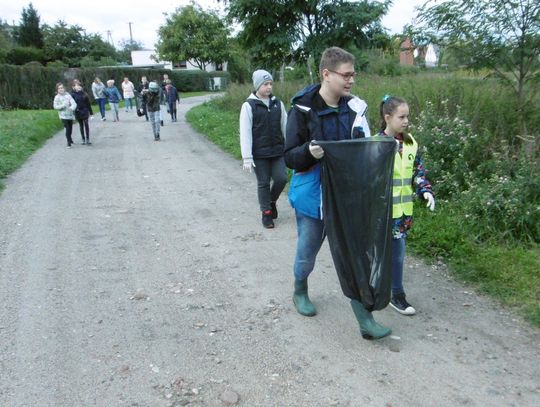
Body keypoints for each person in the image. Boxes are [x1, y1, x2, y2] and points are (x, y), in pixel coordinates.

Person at [284, 46, 391, 339]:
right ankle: (300, 289)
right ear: (326, 74)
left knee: (353, 255)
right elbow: (289, 157)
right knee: (307, 253)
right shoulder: (302, 109)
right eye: (345, 75)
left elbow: (366, 148)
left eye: (353, 75)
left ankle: (364, 319)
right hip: (313, 198)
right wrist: (309, 151)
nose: (351, 81)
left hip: (346, 196)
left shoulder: (356, 108)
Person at [378, 94, 435, 316]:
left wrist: (426, 191)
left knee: (398, 254)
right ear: (387, 117)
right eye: (401, 117)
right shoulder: (377, 144)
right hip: (381, 213)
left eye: (407, 117)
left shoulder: (410, 143)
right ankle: (373, 289)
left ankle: (396, 294)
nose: (406, 121)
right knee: (377, 254)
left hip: (402, 214)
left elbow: (418, 172)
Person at [239, 69, 288, 229]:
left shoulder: (277, 104)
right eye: (265, 84)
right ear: (258, 85)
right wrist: (247, 157)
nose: (269, 87)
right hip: (259, 154)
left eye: (270, 84)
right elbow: (245, 132)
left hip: (277, 151)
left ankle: (271, 201)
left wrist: (290, 147)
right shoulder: (249, 106)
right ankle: (266, 213)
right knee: (263, 183)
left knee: (281, 178)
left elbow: (285, 127)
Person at [53, 83, 77, 148]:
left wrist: (72, 108)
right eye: (59, 88)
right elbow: (55, 106)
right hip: (63, 115)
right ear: (57, 90)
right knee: (67, 128)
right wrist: (62, 106)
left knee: (70, 128)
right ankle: (68, 142)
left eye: (62, 88)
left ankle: (70, 138)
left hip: (70, 115)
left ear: (64, 88)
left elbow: (74, 103)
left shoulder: (68, 95)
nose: (61, 89)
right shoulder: (57, 97)